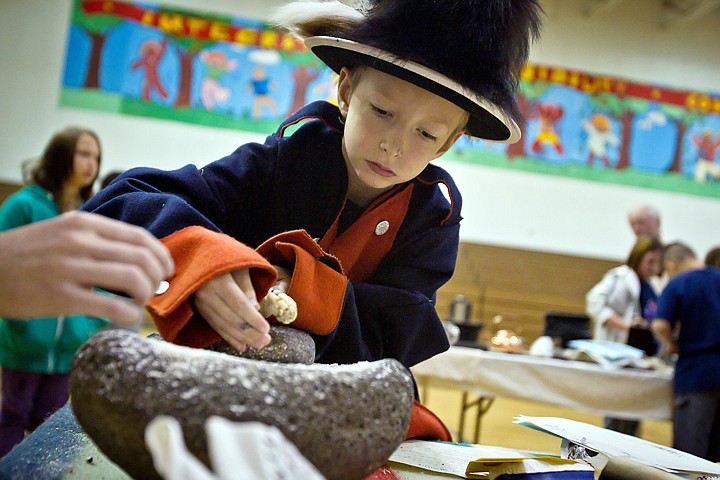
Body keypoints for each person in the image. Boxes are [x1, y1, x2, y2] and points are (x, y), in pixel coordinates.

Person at [80, 0, 543, 443]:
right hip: (219, 397)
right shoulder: (280, 162)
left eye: (426, 133)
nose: (394, 146)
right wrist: (199, 254)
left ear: (447, 144)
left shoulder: (433, 221)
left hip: (343, 418)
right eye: (382, 111)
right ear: (345, 91)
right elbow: (122, 203)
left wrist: (300, 288)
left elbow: (391, 338)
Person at [0, 127, 165, 457]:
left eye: (96, 157)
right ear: (60, 155)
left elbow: (97, 277)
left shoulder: (93, 212)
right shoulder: (23, 206)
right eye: (84, 153)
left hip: (68, 350)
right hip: (23, 343)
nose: (92, 163)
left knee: (50, 425)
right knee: (11, 418)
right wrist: (20, 324)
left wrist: (87, 327)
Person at [585, 234, 663, 436]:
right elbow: (594, 302)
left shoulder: (651, 287)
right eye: (650, 261)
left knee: (632, 415)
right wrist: (626, 326)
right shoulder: (620, 277)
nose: (654, 267)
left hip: (639, 357)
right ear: (638, 257)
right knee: (617, 411)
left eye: (657, 262)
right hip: (618, 353)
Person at [652, 242, 720, 461]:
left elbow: (660, 325)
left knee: (688, 455)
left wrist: (672, 344)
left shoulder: (679, 283)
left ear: (671, 265)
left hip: (696, 374)